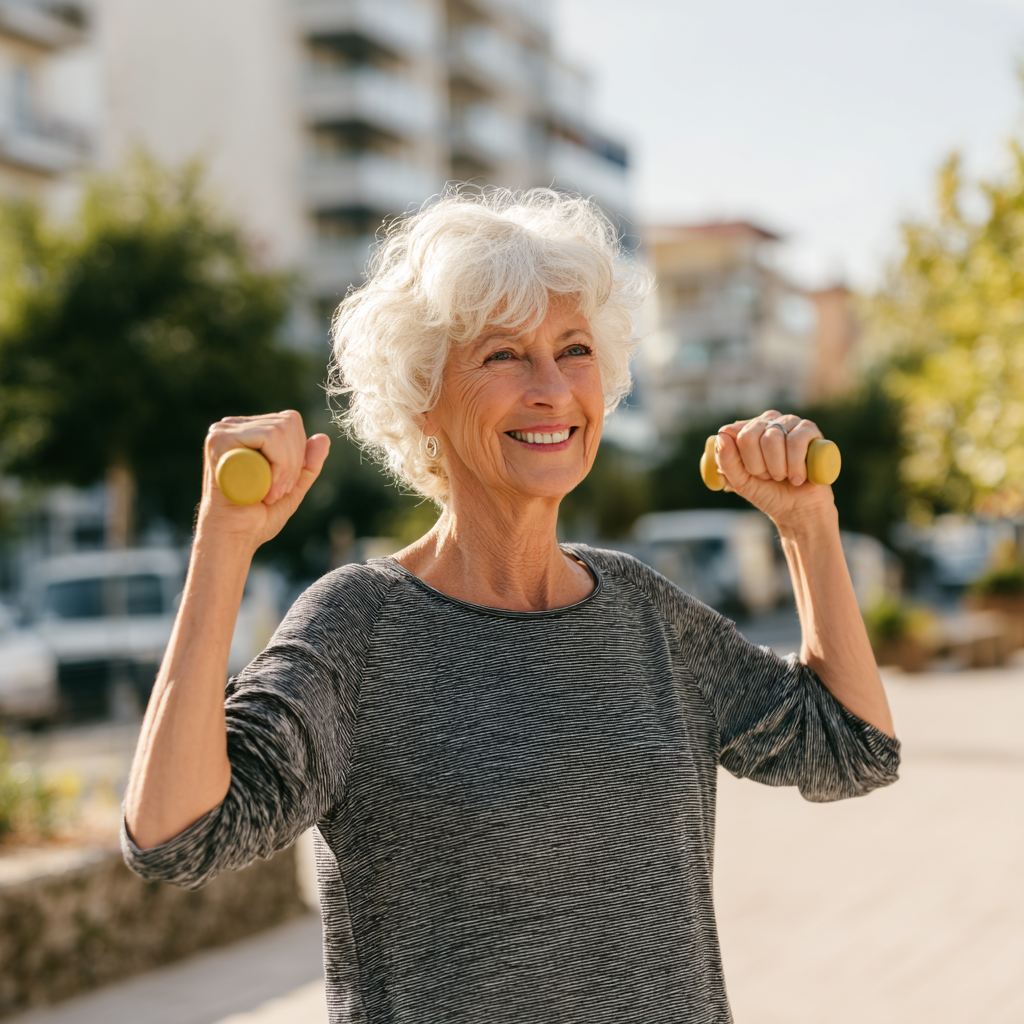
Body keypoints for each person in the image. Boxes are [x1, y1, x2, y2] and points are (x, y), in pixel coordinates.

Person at [123, 188, 899, 1024]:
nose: (552, 389)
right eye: (502, 356)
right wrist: (223, 544)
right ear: (423, 394)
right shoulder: (361, 628)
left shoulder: (644, 615)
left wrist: (806, 526)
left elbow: (853, 749)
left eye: (573, 350)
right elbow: (174, 833)